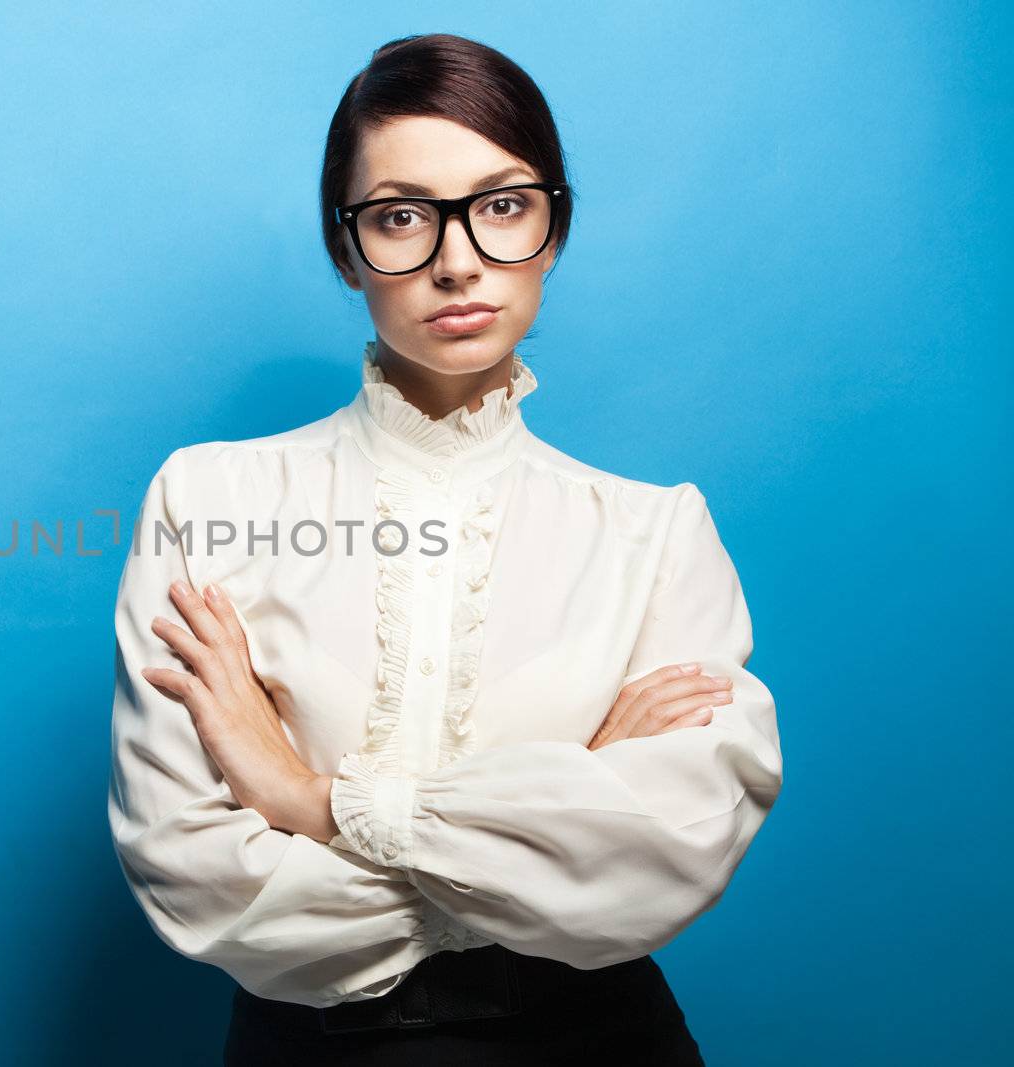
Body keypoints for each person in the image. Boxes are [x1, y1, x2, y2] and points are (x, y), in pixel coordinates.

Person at [106, 32, 781, 1065]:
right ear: (345, 249)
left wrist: (305, 798)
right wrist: (558, 821)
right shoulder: (209, 499)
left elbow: (663, 858)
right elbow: (191, 869)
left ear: (554, 228)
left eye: (502, 204)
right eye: (401, 216)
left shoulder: (655, 532)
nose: (457, 259)